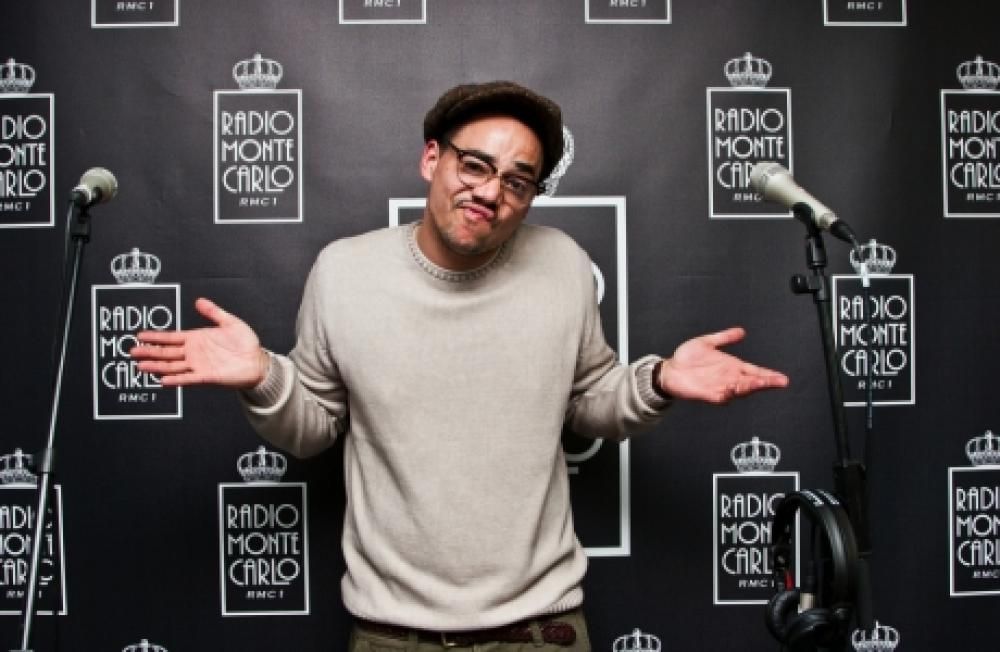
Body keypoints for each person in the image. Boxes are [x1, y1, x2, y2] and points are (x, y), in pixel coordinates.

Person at [131, 81, 788, 651]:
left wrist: (658, 379)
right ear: (431, 159)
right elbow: (312, 428)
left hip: (541, 630)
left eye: (518, 181)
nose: (490, 191)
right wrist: (264, 378)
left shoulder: (561, 264)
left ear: (530, 197)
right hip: (392, 634)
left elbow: (591, 397)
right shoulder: (343, 272)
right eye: (475, 165)